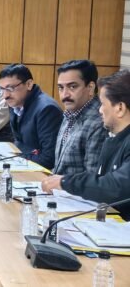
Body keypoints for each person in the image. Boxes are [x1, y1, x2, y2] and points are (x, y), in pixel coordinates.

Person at [42, 70, 130, 220]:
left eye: (102, 104)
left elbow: (116, 187)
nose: (100, 110)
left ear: (120, 108)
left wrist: (66, 182)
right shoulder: (113, 138)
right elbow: (99, 180)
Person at [0, 64, 62, 169]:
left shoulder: (47, 109)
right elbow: (18, 143)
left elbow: (49, 159)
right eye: (2, 89)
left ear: (29, 84)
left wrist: (14, 157)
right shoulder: (16, 103)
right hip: (26, 166)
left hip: (42, 172)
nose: (5, 95)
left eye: (10, 88)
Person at [52, 60, 109, 176]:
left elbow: (92, 178)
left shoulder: (99, 123)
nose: (65, 94)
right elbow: (60, 167)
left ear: (90, 87)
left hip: (71, 187)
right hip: (58, 184)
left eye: (72, 87)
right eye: (61, 88)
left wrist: (60, 182)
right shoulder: (69, 113)